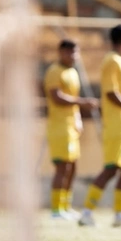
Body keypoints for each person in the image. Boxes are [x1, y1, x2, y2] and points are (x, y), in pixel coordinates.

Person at [79, 25, 121, 228]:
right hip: (117, 124)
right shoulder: (111, 61)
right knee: (111, 168)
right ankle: (87, 212)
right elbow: (111, 93)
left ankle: (119, 216)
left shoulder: (119, 61)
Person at [44, 39, 98, 219]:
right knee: (62, 167)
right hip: (59, 127)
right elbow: (56, 97)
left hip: (71, 127)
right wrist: (82, 103)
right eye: (70, 52)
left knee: (73, 167)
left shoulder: (73, 72)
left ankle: (65, 206)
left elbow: (72, 99)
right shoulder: (54, 71)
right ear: (61, 52)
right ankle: (56, 209)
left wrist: (78, 120)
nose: (74, 56)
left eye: (76, 52)